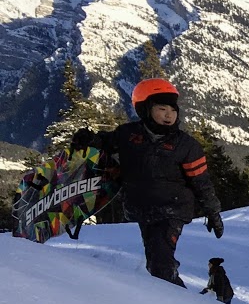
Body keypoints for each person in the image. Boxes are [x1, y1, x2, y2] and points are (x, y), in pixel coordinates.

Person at [94, 78, 224, 286]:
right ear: (145, 110)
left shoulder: (186, 146)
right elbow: (104, 143)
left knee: (161, 265)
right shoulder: (128, 136)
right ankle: (172, 301)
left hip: (172, 210)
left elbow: (201, 182)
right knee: (154, 262)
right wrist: (89, 140)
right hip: (143, 209)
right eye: (162, 109)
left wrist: (213, 212)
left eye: (172, 110)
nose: (169, 115)